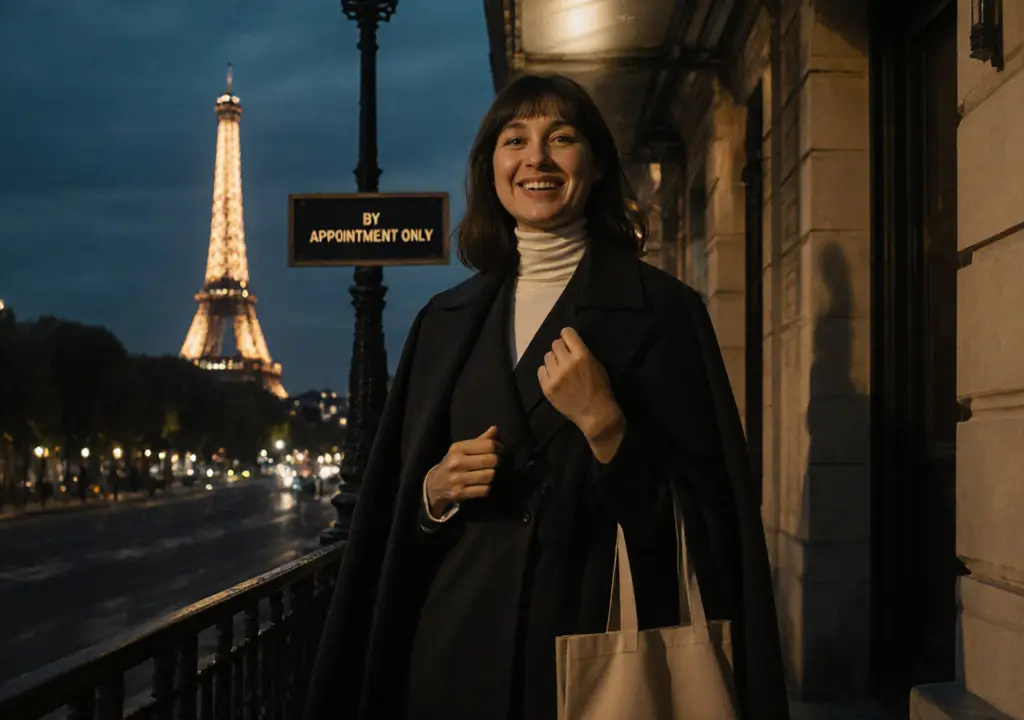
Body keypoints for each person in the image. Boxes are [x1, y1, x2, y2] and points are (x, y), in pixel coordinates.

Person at [304, 73, 789, 720]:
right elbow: (391, 534)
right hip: (453, 661)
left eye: (561, 137)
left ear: (593, 165)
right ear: (492, 169)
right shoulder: (443, 322)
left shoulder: (668, 314)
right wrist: (434, 492)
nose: (536, 157)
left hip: (592, 663)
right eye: (515, 139)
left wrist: (609, 427)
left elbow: (710, 528)